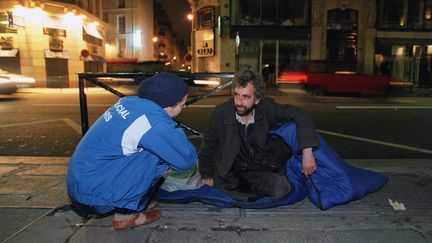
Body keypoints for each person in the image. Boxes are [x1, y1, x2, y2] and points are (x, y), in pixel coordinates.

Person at [67, 72, 197, 229]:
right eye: (183, 102)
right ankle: (126, 215)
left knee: (149, 147)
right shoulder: (152, 123)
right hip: (94, 198)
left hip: (81, 185)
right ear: (170, 105)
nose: (184, 105)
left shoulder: (130, 103)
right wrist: (171, 130)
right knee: (156, 155)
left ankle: (137, 200)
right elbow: (186, 160)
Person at [198, 69, 319, 202]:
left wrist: (307, 152)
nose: (239, 102)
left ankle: (252, 188)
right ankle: (247, 190)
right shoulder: (219, 114)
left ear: (257, 99)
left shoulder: (267, 108)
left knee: (282, 189)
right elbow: (208, 146)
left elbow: (300, 114)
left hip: (260, 168)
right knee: (228, 190)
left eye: (246, 97)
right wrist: (206, 173)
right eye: (236, 95)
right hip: (231, 169)